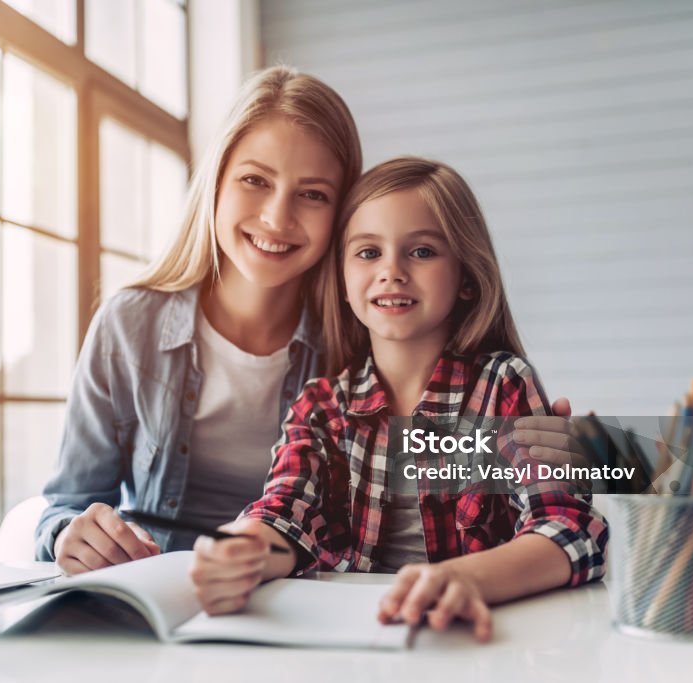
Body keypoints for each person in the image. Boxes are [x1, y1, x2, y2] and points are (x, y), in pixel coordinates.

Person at [35, 67, 582, 576]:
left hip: (297, 588)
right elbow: (66, 504)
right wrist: (69, 534)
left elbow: (545, 506)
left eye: (313, 194)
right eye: (255, 180)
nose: (277, 217)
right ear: (217, 181)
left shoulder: (357, 343)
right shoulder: (132, 326)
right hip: (160, 581)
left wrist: (589, 458)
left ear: (341, 215)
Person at [189, 157, 608, 642]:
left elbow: (567, 527)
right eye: (368, 253)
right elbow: (286, 515)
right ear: (343, 281)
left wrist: (466, 578)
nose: (392, 271)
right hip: (349, 644)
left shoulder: (502, 386)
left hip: (475, 641)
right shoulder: (320, 407)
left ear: (467, 277)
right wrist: (245, 549)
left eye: (423, 251)